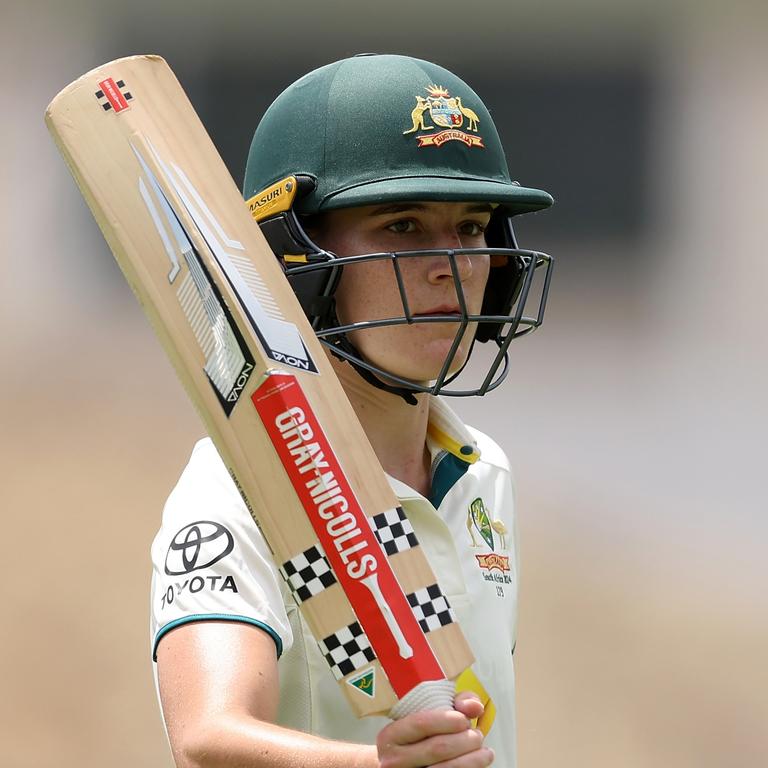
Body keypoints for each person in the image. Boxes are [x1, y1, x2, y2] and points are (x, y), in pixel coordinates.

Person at [150, 53, 553, 767]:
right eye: (402, 226)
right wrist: (378, 764)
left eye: (470, 227)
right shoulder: (243, 484)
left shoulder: (482, 471)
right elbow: (208, 738)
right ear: (292, 258)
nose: (451, 264)